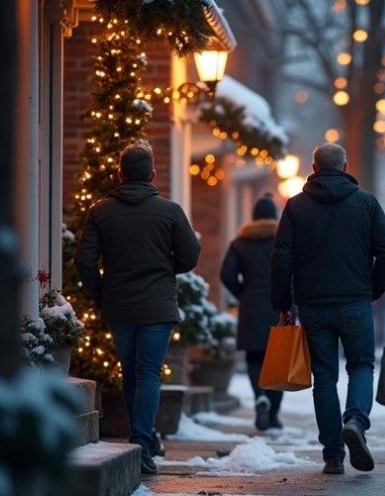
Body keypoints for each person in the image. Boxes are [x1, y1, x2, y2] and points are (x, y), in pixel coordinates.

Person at [270, 143, 385, 475]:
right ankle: (355, 419)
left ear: (313, 168)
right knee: (360, 367)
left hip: (312, 305)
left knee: (324, 377)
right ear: (344, 167)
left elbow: (281, 258)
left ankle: (332, 455)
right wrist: (374, 288)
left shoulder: (296, 206)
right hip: (355, 300)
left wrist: (283, 302)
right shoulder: (366, 203)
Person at [75, 143, 201, 475]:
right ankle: (143, 444)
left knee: (131, 372)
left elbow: (84, 260)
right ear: (152, 175)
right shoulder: (170, 211)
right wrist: (164, 269)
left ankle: (141, 440)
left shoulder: (101, 211)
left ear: (120, 173)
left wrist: (101, 292)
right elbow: (190, 256)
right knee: (148, 374)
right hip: (157, 305)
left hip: (119, 305)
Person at [220, 192, 284, 432]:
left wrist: (242, 294)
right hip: (281, 308)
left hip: (251, 307)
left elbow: (226, 275)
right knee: (278, 362)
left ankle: (259, 396)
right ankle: (275, 415)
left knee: (254, 357)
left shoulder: (240, 243)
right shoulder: (284, 240)